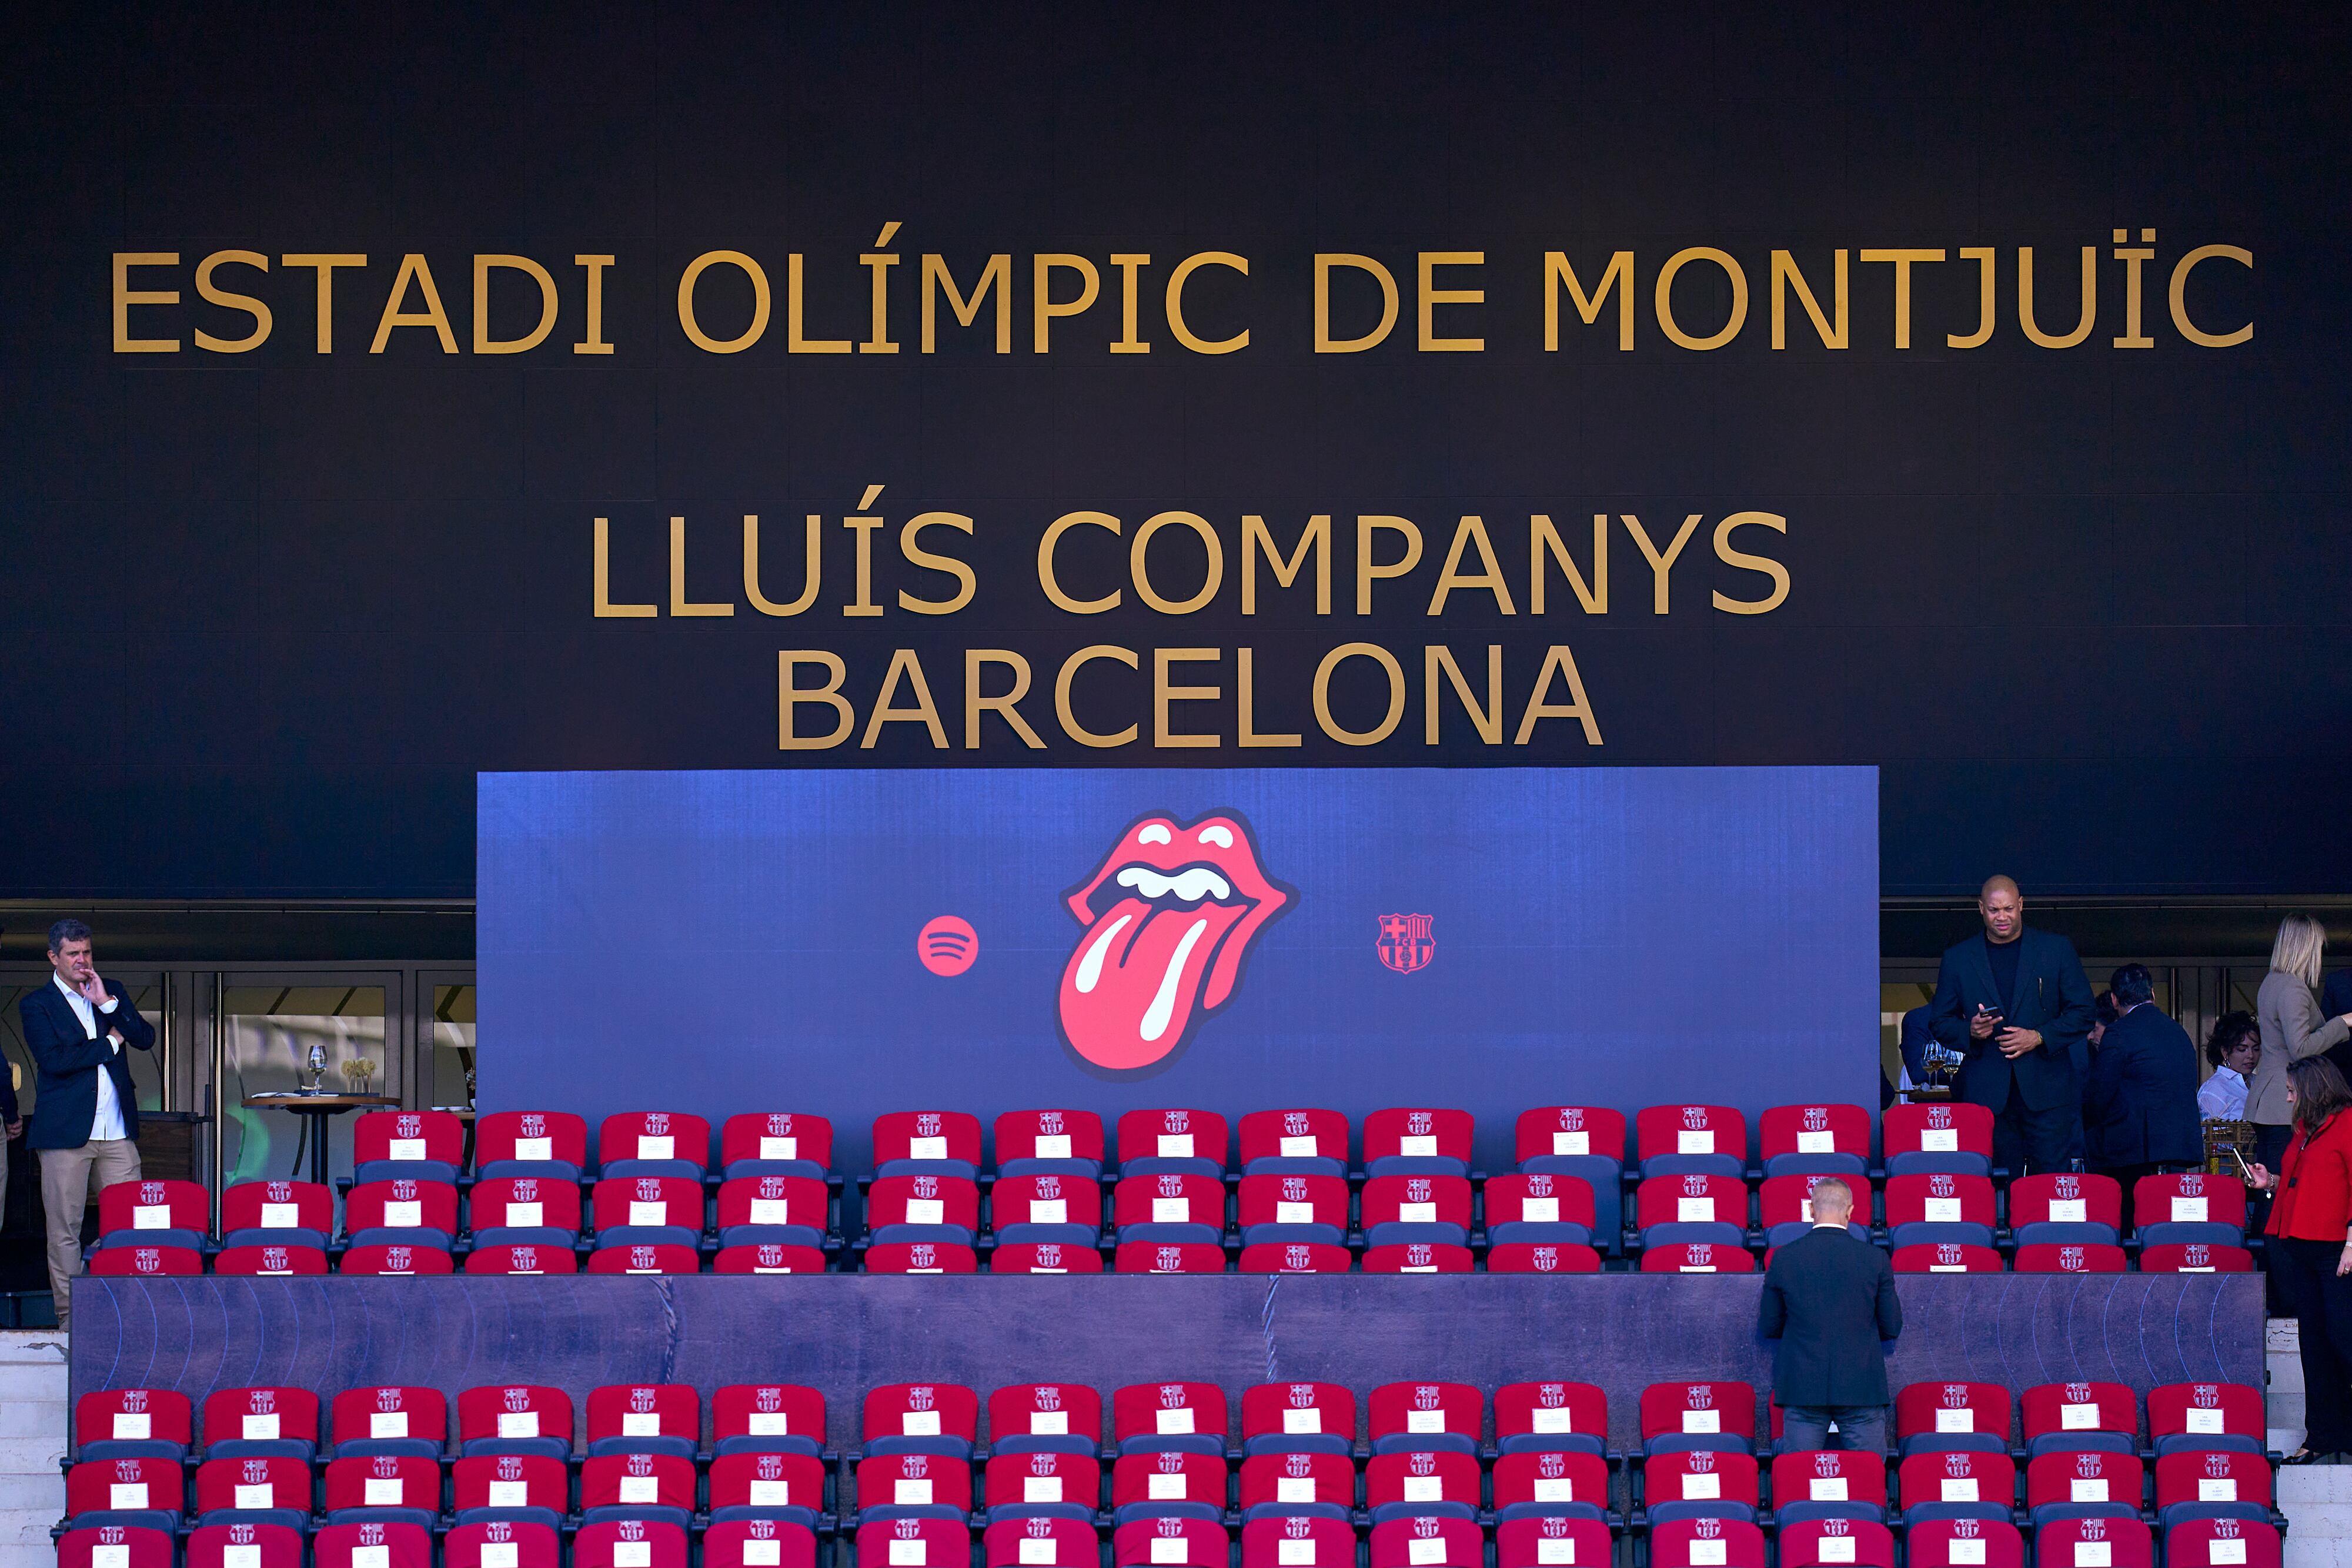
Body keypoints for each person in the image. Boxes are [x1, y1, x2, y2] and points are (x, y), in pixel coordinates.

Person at [18, 920, 155, 1330]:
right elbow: (56, 1060)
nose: (83, 960)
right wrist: (112, 1042)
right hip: (64, 1135)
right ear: (53, 957)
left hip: (116, 1133)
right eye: (74, 954)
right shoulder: (37, 1003)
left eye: (87, 952)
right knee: (64, 1230)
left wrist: (109, 1004)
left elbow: (145, 1037)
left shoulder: (108, 989)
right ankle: (70, 1319)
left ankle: (125, 1316)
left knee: (131, 1227)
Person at [1927, 875, 2097, 1176]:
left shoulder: (2055, 949)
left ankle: (2043, 1228)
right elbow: (1940, 1022)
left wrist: (2039, 1036)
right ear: (1981, 908)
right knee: (1994, 1187)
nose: (2002, 917)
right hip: (1988, 1095)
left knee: (2050, 1185)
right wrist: (1970, 1030)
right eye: (1994, 910)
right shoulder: (1958, 959)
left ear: (2021, 905)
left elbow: (2084, 1012)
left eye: (2008, 909)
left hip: (2048, 1093)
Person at [2243, 1056, 2352, 1464]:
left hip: (2336, 1252)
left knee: (2343, 1339)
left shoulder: (2347, 1123)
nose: (2288, 1096)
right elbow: (2304, 1181)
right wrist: (2268, 1181)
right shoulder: (2306, 1130)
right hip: (2302, 1248)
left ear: (2313, 1088)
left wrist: (2351, 1244)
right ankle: (2323, 1433)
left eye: (2292, 1089)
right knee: (2315, 1347)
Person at [1758, 1177, 1903, 1454]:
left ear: (1811, 1209)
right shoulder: (1875, 1259)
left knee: (1800, 1480)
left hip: (1803, 1386)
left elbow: (1769, 1325)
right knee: (1867, 1480)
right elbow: (1892, 1326)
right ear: (1850, 1211)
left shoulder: (1784, 1258)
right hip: (1861, 1385)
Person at [2081, 964, 2203, 1235]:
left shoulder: (2119, 1032)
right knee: (2166, 1230)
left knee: (2124, 1227)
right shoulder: (2178, 1032)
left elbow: (2100, 1093)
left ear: (2114, 1000)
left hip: (2133, 1150)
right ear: (2153, 994)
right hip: (2177, 1147)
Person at [2251, 914, 2352, 1192]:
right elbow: (2301, 1049)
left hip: (2270, 1100)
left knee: (2269, 1186)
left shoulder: (2272, 982)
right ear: (2306, 947)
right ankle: (2271, 1238)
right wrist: (2341, 1023)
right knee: (2277, 1189)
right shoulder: (2292, 987)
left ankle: (2265, 1236)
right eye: (2317, 946)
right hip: (2284, 1104)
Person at [2200, 1012, 2260, 1121]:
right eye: (2242, 1049)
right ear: (2225, 1052)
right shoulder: (2214, 1090)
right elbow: (2213, 1136)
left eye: (2256, 1049)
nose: (2251, 1055)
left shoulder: (2257, 1082)